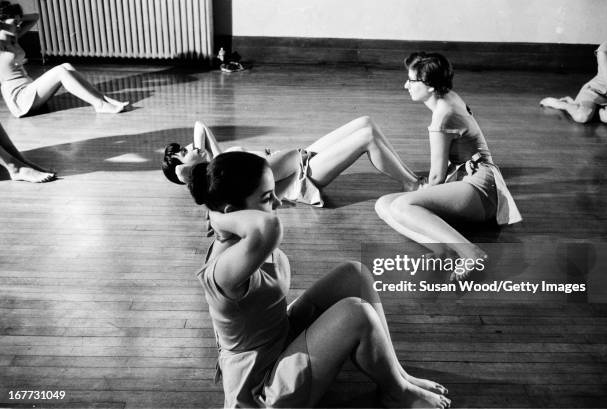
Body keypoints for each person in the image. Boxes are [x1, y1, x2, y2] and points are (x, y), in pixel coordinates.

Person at [189, 151, 451, 408]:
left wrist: (218, 209)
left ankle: (397, 375)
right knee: (356, 313)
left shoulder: (244, 240)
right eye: (268, 198)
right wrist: (217, 217)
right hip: (262, 384)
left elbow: (291, 158)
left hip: (280, 335)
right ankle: (397, 393)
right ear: (233, 212)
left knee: (354, 274)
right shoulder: (223, 270)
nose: (278, 203)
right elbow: (269, 228)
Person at [375, 52, 521, 281]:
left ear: (431, 86)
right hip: (466, 179)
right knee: (383, 204)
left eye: (412, 81)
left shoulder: (443, 116)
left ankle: (471, 253)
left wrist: (421, 192)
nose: (406, 85)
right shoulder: (447, 97)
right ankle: (444, 250)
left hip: (481, 187)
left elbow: (435, 177)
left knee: (402, 205)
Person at [163, 119, 420, 207]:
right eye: (185, 152)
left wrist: (192, 158)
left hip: (302, 156)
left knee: (365, 122)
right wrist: (182, 170)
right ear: (185, 170)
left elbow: (200, 127)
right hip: (304, 176)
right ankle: (412, 184)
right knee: (366, 138)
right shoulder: (221, 171)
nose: (190, 146)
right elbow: (199, 139)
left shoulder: (219, 159)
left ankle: (412, 177)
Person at [0, 1, 129, 117]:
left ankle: (103, 99)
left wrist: (14, 16)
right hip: (19, 100)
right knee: (59, 71)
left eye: (19, 23)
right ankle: (99, 104)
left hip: (29, 89)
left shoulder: (14, 37)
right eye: (15, 23)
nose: (18, 26)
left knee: (66, 66)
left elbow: (35, 16)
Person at [540, 40, 607, 123]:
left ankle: (592, 110)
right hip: (595, 91)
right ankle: (562, 104)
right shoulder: (606, 47)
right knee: (582, 117)